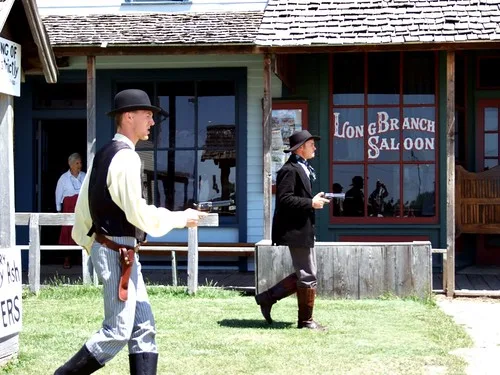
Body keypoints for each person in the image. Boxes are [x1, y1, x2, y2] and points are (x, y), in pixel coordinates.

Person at [54, 89, 207, 375]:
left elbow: (84, 211)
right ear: (128, 117)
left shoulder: (103, 154)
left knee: (144, 328)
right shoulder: (125, 158)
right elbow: (137, 212)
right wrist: (179, 218)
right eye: (147, 115)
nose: (152, 121)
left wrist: (93, 244)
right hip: (117, 251)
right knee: (116, 331)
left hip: (119, 251)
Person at [255, 130, 330, 330]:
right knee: (307, 274)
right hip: (295, 230)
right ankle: (305, 321)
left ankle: (266, 298)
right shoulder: (289, 169)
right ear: (300, 148)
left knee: (306, 273)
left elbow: (296, 197)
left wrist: (313, 200)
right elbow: (284, 199)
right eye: (311, 144)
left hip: (303, 228)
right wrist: (310, 203)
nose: (315, 147)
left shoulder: (302, 168)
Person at [55, 152, 86, 269]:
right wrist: (58, 208)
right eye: (77, 163)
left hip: (81, 207)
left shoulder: (84, 176)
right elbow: (58, 193)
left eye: (80, 163)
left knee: (82, 230)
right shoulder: (63, 178)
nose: (79, 165)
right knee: (67, 232)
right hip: (68, 207)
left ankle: (81, 257)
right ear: (71, 164)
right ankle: (67, 259)